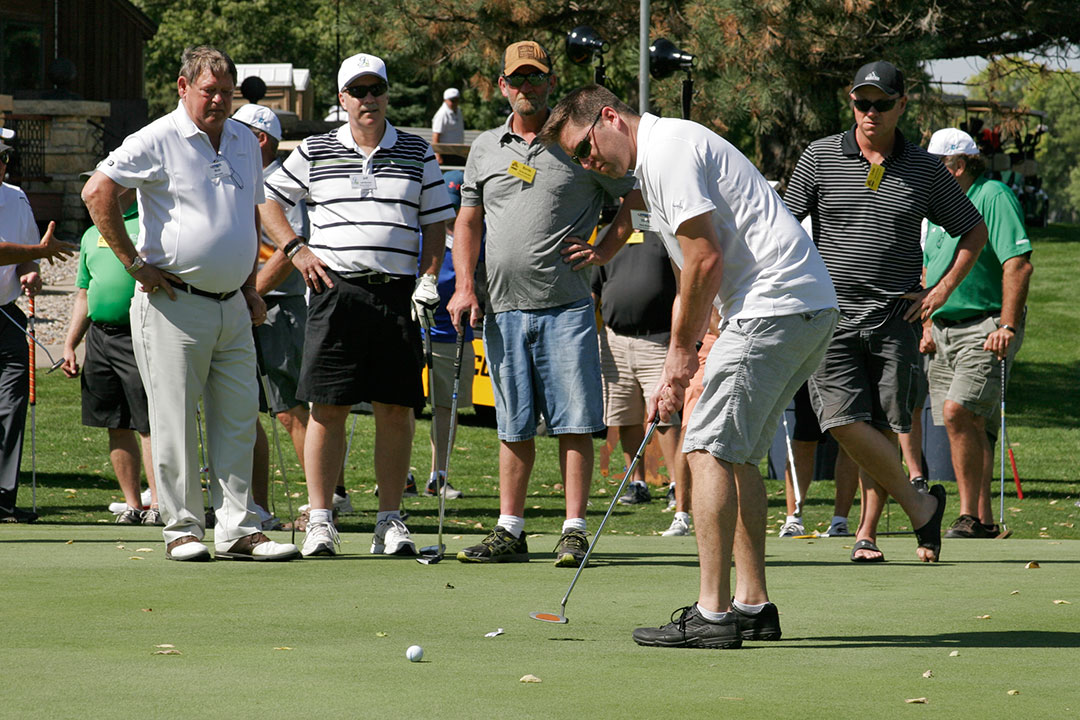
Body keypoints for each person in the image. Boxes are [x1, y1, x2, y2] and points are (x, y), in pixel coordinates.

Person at [539, 83, 839, 649]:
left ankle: (712, 614)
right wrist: (698, 349)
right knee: (741, 455)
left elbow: (705, 259)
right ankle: (752, 605)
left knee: (704, 450)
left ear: (609, 119)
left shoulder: (668, 149)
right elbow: (691, 268)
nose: (587, 162)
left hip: (774, 307)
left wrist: (678, 354)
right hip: (798, 308)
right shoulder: (655, 165)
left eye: (583, 147)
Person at [81, 45, 300, 562]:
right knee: (174, 419)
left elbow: (247, 215)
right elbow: (97, 192)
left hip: (232, 305)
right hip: (173, 302)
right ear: (183, 87)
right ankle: (180, 528)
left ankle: (238, 527)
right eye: (210, 91)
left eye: (227, 92)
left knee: (239, 418)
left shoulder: (245, 139)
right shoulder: (158, 136)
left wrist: (249, 286)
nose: (220, 101)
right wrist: (135, 263)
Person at [784, 60, 986, 563]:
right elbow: (782, 227)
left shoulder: (923, 168)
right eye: (861, 102)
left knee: (880, 425)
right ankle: (921, 506)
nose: (869, 112)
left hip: (896, 317)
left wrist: (939, 292)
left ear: (900, 105)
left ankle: (867, 533)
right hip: (831, 316)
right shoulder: (821, 156)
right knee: (840, 421)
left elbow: (973, 232)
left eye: (880, 103)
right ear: (851, 103)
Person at [447, 41, 641, 568]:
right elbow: (469, 221)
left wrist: (603, 248)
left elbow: (636, 194)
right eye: (518, 79)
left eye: (536, 78)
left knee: (574, 421)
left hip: (567, 307)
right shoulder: (486, 147)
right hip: (503, 309)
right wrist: (464, 285)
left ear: (550, 83)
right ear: (503, 85)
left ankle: (573, 529)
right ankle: (510, 529)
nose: (527, 87)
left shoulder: (578, 143)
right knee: (512, 423)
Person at [261, 52, 454, 558]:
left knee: (396, 408)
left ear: (385, 94)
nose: (368, 100)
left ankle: (389, 520)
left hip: (397, 292)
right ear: (342, 98)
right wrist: (295, 250)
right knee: (327, 407)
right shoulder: (315, 148)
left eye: (376, 90)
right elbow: (268, 199)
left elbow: (435, 221)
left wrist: (429, 276)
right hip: (334, 290)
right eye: (358, 91)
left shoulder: (417, 151)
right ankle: (321, 519)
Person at [922, 127, 1033, 538]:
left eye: (938, 165)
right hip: (943, 329)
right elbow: (928, 269)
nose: (930, 171)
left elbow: (1017, 264)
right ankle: (984, 521)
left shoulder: (992, 197)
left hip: (986, 325)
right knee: (966, 422)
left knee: (959, 412)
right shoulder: (935, 208)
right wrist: (927, 322)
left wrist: (1007, 324)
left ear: (959, 165)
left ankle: (968, 515)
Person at [231, 102, 313, 529]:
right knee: (243, 408)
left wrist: (251, 293)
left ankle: (321, 504)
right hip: (246, 302)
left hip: (278, 303)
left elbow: (291, 248)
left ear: (259, 139)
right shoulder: (241, 178)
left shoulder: (281, 182)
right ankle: (258, 506)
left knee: (289, 409)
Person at [61, 182, 160, 526]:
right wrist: (70, 344)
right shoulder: (91, 233)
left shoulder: (149, 223)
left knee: (149, 424)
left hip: (141, 335)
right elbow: (83, 294)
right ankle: (133, 504)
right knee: (114, 423)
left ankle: (160, 504)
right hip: (100, 340)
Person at [0, 133, 78, 523]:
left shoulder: (15, 198)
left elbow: (26, 254)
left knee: (11, 404)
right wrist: (39, 255)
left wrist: (31, 272)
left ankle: (3, 501)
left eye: (1, 159)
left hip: (5, 312)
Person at [590, 230, 682, 511]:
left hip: (658, 339)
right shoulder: (608, 235)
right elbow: (595, 287)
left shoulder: (666, 235)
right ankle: (637, 483)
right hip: (614, 340)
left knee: (664, 417)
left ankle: (677, 486)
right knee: (624, 415)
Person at [423, 169, 472, 499]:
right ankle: (399, 477)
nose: (453, 216)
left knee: (446, 410)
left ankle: (437, 475)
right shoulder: (424, 236)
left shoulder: (474, 241)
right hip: (418, 330)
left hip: (454, 335)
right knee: (400, 408)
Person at [431, 88, 465, 166]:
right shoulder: (442, 114)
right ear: (445, 100)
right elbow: (435, 136)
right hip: (446, 154)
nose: (455, 103)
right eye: (452, 100)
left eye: (457, 100)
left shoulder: (458, 111)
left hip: (457, 152)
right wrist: (438, 155)